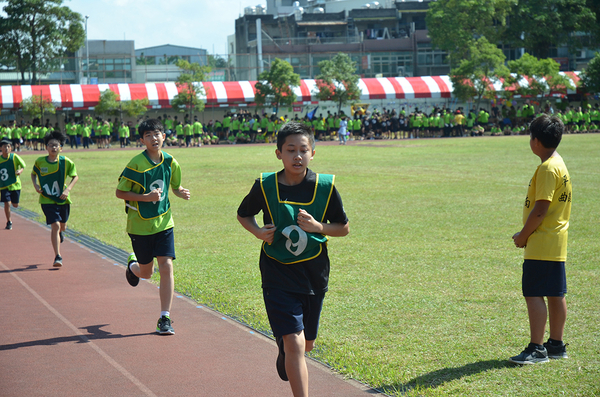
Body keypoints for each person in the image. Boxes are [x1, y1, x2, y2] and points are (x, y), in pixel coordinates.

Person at [237, 122, 349, 397]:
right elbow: (243, 214)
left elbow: (343, 227)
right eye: (290, 150)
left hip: (313, 275)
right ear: (278, 153)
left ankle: (285, 347)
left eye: (303, 150)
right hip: (277, 273)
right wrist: (258, 232)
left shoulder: (325, 187)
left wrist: (319, 227)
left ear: (313, 152)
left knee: (306, 344)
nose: (297, 156)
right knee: (296, 344)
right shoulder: (264, 185)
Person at [116, 119, 190, 335]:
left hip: (164, 221)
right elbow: (120, 193)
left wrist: (180, 191)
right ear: (142, 140)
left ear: (164, 136)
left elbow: (174, 187)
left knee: (166, 266)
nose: (153, 138)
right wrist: (145, 198)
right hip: (139, 226)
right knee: (146, 274)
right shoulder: (136, 164)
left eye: (157, 134)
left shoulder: (170, 161)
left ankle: (164, 318)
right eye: (148, 135)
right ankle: (133, 266)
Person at [509, 114, 571, 365]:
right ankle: (555, 344)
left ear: (535, 141)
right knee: (556, 294)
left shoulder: (546, 169)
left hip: (542, 241)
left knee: (533, 293)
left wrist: (523, 235)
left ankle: (537, 348)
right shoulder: (559, 162)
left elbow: (541, 209)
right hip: (556, 240)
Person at [31, 130, 79, 267]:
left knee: (62, 226)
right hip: (47, 199)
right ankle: (58, 256)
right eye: (50, 145)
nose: (53, 147)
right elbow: (33, 174)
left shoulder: (66, 162)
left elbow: (75, 176)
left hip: (62, 199)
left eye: (56, 145)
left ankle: (60, 234)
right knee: (55, 225)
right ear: (46, 147)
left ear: (61, 148)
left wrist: (68, 189)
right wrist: (35, 185)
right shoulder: (40, 161)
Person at [0, 138, 26, 230]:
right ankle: (9, 221)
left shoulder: (14, 157)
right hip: (3, 185)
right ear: (1, 148)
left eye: (8, 146)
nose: (6, 148)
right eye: (4, 147)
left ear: (11, 148)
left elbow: (23, 165)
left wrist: (20, 171)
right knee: (7, 203)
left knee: (15, 205)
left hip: (15, 184)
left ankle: (13, 202)